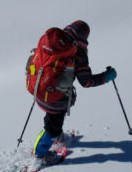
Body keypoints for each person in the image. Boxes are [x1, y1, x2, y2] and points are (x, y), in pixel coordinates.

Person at [32, 20, 117, 161]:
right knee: (53, 126)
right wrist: (106, 77)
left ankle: (57, 137)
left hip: (40, 91)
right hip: (56, 98)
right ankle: (41, 153)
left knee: (53, 117)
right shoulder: (77, 53)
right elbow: (86, 81)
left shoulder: (53, 43)